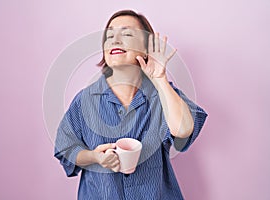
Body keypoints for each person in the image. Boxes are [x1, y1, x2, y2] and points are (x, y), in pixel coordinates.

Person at [54, 9, 207, 200]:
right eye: (109, 36)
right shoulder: (84, 100)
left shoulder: (163, 95)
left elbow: (183, 130)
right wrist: (94, 157)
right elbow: (65, 150)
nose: (115, 40)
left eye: (126, 34)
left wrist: (160, 79)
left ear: (146, 48)